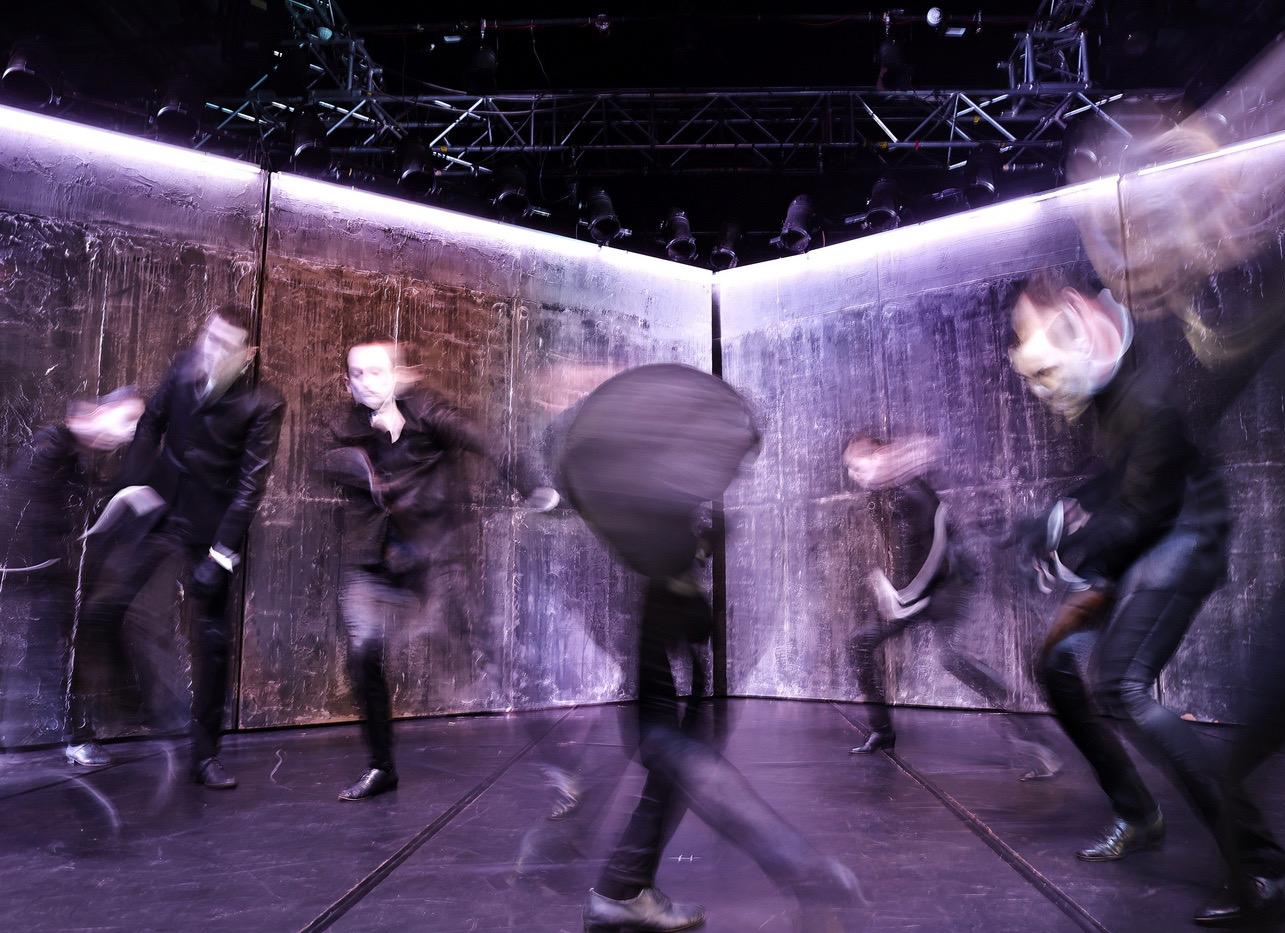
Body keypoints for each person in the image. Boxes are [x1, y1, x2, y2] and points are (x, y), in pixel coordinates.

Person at [1007, 271, 1285, 887]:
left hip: (1184, 534)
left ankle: (1267, 869)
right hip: (1143, 536)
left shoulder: (1154, 381)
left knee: (1122, 685)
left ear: (1082, 321)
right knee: (1057, 664)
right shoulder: (1108, 388)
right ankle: (1138, 814)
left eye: (1044, 367)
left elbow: (1144, 504)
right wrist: (1058, 514)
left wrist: (1069, 555)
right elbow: (1125, 475)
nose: (1040, 387)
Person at [561, 363, 861, 933]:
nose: (733, 472)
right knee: (674, 751)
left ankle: (623, 889)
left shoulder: (645, 496)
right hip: (657, 632)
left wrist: (698, 545)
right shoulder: (649, 512)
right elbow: (664, 574)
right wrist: (690, 555)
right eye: (732, 458)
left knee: (674, 756)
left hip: (662, 630)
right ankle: (800, 868)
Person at [322, 337, 558, 802]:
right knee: (363, 655)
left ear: (397, 375)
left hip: (430, 558)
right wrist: (371, 458)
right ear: (347, 382)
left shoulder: (427, 410)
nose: (366, 382)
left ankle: (554, 764)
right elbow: (328, 464)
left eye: (376, 372)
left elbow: (485, 441)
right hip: (372, 560)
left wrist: (532, 486)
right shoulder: (344, 424)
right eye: (357, 374)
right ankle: (381, 767)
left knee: (483, 654)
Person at [74, 303, 283, 788]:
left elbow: (250, 485)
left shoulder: (264, 402)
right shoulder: (184, 366)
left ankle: (205, 757)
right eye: (209, 338)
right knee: (103, 608)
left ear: (247, 354)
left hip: (211, 529)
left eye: (225, 346)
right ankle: (113, 716)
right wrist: (136, 484)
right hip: (159, 511)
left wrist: (221, 553)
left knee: (211, 641)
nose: (211, 351)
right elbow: (151, 423)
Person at [843, 433, 1060, 778]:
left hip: (949, 586)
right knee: (860, 642)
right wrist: (896, 592)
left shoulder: (913, 492)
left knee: (952, 657)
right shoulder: (886, 492)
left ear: (879, 455)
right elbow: (909, 552)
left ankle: (1036, 740)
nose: (853, 475)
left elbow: (935, 552)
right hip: (916, 591)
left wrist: (902, 596)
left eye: (857, 466)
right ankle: (882, 732)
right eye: (850, 469)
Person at [0, 390, 144, 757]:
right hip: (31, 571)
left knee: (56, 653)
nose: (129, 432)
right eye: (126, 420)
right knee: (53, 656)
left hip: (43, 572)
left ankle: (73, 735)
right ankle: (74, 738)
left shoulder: (80, 456)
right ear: (100, 412)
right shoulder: (53, 446)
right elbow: (26, 508)